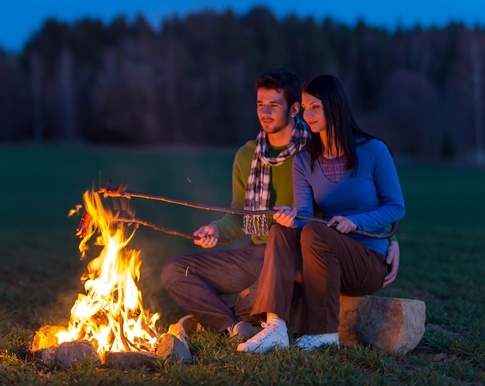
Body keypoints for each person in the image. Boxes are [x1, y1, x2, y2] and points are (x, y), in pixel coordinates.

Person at [162, 68, 401, 339]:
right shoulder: (247, 155)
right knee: (175, 271)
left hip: (301, 253)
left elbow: (362, 201)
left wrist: (391, 240)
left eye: (274, 105)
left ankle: (226, 320)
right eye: (260, 105)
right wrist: (216, 230)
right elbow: (240, 215)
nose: (265, 112)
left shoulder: (316, 147)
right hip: (257, 250)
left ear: (293, 109)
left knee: (266, 291)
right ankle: (234, 325)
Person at [238, 74, 406, 353]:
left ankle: (323, 333)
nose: (308, 114)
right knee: (281, 230)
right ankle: (275, 327)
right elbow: (305, 216)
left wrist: (355, 221)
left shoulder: (374, 150)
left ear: (334, 106)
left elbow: (396, 207)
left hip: (366, 263)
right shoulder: (304, 160)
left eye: (315, 107)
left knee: (317, 231)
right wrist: (292, 217)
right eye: (305, 108)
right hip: (322, 261)